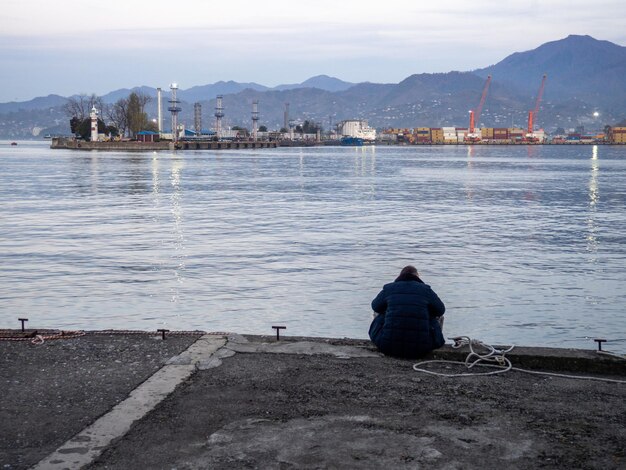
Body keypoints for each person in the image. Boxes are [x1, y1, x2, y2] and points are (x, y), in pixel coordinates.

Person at [369, 265, 446, 358]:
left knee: (379, 312)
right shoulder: (426, 290)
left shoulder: (389, 288)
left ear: (400, 276)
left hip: (388, 346)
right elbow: (441, 310)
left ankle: (388, 334)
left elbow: (375, 306)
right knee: (436, 315)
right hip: (422, 348)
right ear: (417, 276)